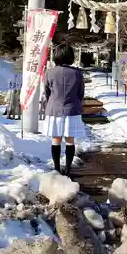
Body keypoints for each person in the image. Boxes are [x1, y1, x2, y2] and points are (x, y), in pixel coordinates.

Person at [44, 44, 86, 174]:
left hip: (54, 109)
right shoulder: (77, 73)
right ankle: (67, 170)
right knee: (70, 139)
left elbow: (47, 93)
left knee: (56, 139)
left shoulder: (49, 73)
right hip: (72, 109)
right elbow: (81, 93)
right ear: (70, 56)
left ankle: (56, 169)